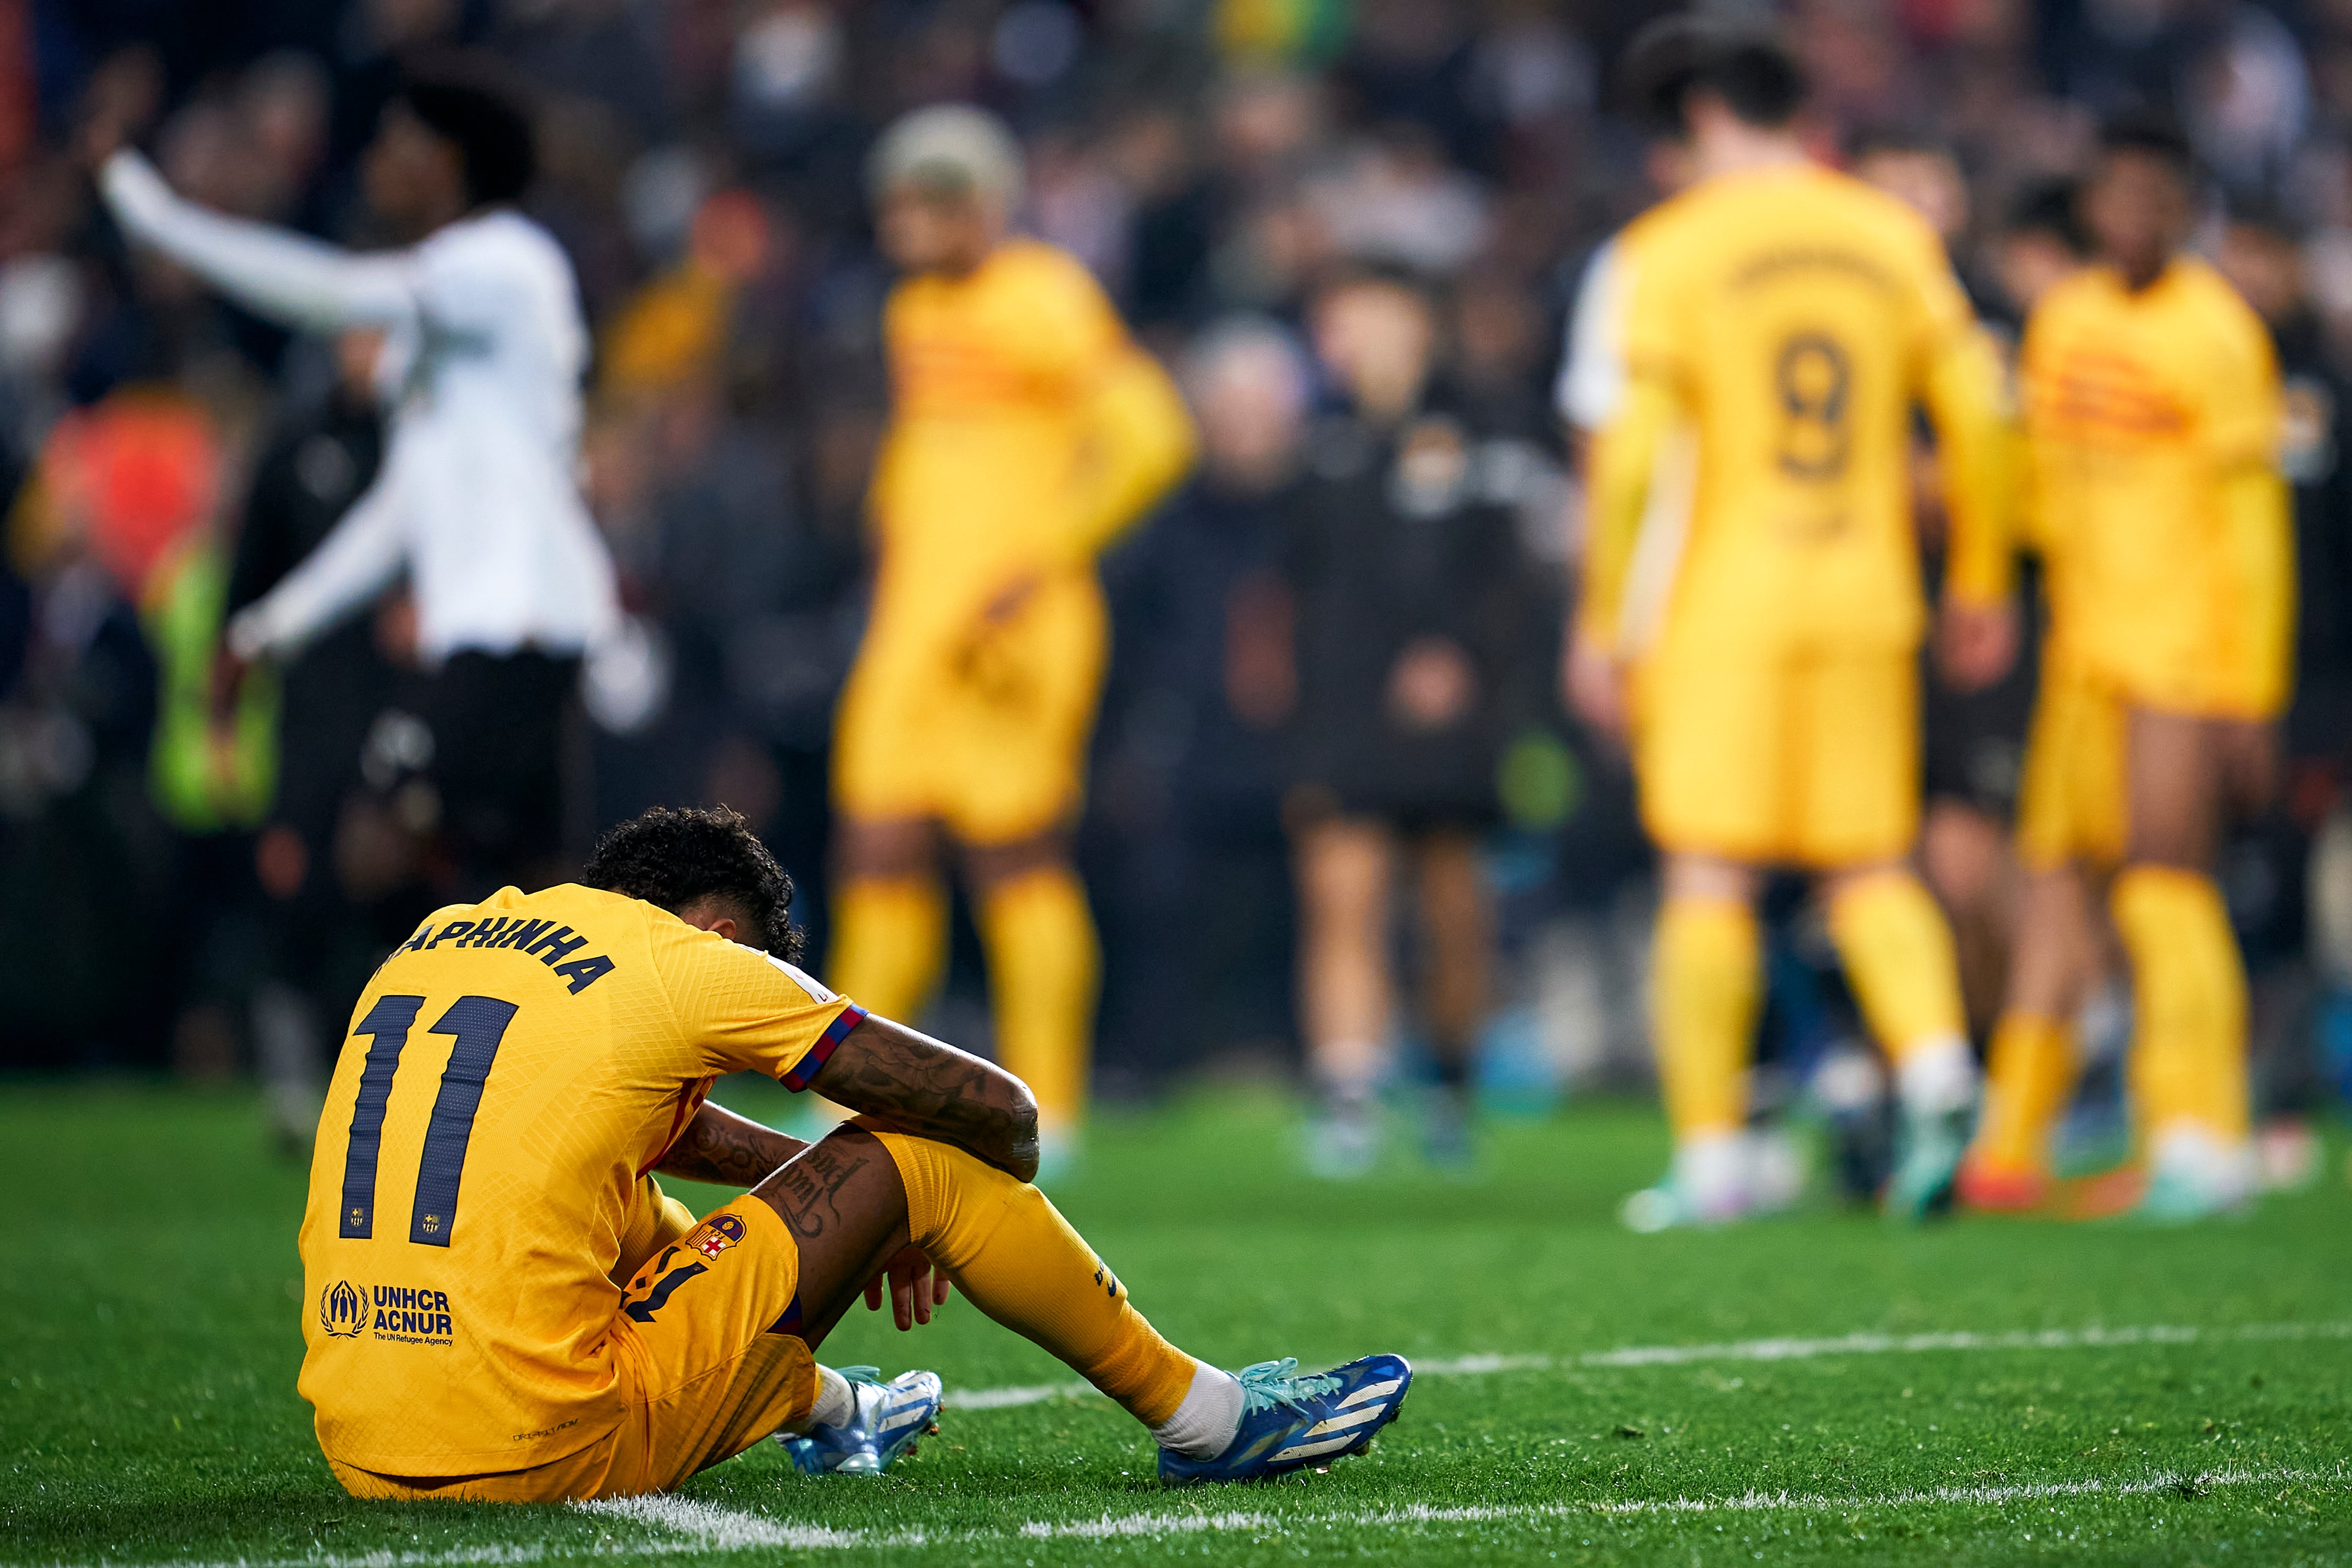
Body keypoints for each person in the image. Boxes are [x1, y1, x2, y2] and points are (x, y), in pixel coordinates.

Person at [297, 803, 1410, 1501]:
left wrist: (831, 1204)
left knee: (614, 1191)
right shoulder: (697, 964)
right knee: (921, 1158)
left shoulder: (446, 937)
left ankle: (839, 1412)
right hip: (534, 1443)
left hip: (362, 1433)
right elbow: (1004, 1115)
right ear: (724, 933)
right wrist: (899, 1198)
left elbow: (627, 1126)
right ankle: (1205, 1419)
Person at [1564, 18, 2015, 1227]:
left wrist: (1606, 617)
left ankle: (1713, 1154)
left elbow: (1629, 460)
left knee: (1709, 871)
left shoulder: (1673, 247)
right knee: (1870, 860)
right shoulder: (1889, 232)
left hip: (1729, 600)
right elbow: (1977, 414)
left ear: (1703, 117)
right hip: (1868, 590)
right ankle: (1933, 1065)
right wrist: (1981, 577)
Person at [97, 75, 621, 896]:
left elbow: (334, 297)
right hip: (500, 638)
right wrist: (270, 627)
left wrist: (167, 225)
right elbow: (398, 513)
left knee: (381, 853)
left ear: (444, 161)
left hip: (518, 632)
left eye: (394, 142)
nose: (375, 160)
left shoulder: (508, 263)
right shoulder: (434, 333)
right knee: (522, 889)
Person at [827, 106, 1195, 1168]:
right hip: (913, 628)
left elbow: (1153, 436)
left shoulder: (1043, 296)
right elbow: (928, 451)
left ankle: (1052, 1109)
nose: (906, 221)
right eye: (896, 202)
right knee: (879, 851)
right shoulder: (915, 313)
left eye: (929, 202)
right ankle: (857, 1099)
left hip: (1015, 627)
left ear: (982, 205)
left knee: (1013, 857)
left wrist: (1041, 557)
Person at [1961, 122, 2295, 1219]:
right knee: (2055, 880)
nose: (2134, 215)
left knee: (2163, 876)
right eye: (2118, 195)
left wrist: (2252, 681)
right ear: (2094, 207)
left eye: (2157, 196)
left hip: (2182, 650)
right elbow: (2039, 493)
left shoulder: (2218, 332)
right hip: (2081, 652)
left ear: (2184, 207)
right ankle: (2009, 1145)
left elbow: (2252, 518)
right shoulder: (2065, 320)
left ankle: (2202, 1134)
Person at [1283, 267, 1533, 1174]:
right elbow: (1291, 581)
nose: (1344, 336)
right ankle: (1347, 1090)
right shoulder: (1320, 442)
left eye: (1362, 316)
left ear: (1416, 323)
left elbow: (1509, 574)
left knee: (1451, 905)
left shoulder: (1479, 428)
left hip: (1451, 714)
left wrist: (1464, 656)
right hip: (1341, 706)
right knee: (1340, 892)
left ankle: (1450, 1084)